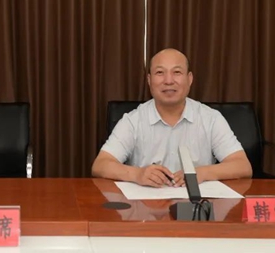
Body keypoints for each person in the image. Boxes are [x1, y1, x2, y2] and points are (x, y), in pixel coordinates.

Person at [92, 48, 252, 188]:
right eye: (160, 73)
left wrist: (202, 173)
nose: (168, 81)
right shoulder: (133, 120)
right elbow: (101, 165)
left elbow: (242, 166)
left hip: (197, 208)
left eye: (177, 72)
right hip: (145, 208)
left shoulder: (211, 118)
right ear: (149, 80)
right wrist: (137, 174)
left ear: (189, 79)